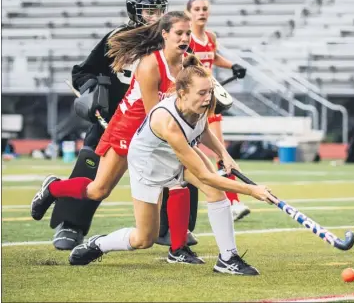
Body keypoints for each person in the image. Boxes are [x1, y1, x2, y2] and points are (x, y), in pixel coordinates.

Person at [35, 55, 275, 275]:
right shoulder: (167, 117)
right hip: (147, 164)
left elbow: (202, 129)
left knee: (213, 192)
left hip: (170, 152)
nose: (208, 98)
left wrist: (224, 154)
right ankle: (98, 243)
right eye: (202, 93)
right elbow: (205, 175)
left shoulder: (200, 102)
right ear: (181, 92)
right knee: (142, 237)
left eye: (209, 92)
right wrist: (253, 191)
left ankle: (226, 258)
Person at [31, 11, 202, 263]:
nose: (186, 38)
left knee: (178, 180)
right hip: (130, 128)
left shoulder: (187, 63)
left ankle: (178, 249)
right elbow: (153, 113)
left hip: (155, 129)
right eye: (180, 33)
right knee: (98, 189)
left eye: (188, 33)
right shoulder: (152, 63)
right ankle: (54, 188)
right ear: (165, 34)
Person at [46, 0, 169, 251]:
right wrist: (92, 92)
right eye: (150, 11)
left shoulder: (169, 40)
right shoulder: (118, 37)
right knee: (90, 168)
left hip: (155, 122)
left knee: (176, 167)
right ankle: (71, 223)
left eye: (160, 11)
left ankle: (169, 227)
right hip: (113, 120)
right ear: (134, 10)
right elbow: (82, 72)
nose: (156, 18)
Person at [156, 0, 250, 247]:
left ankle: (233, 202)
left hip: (209, 101)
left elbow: (214, 57)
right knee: (198, 158)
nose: (201, 13)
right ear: (188, 12)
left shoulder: (209, 37)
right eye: (196, 9)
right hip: (190, 104)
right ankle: (230, 201)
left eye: (205, 9)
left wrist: (233, 65)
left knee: (219, 149)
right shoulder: (186, 43)